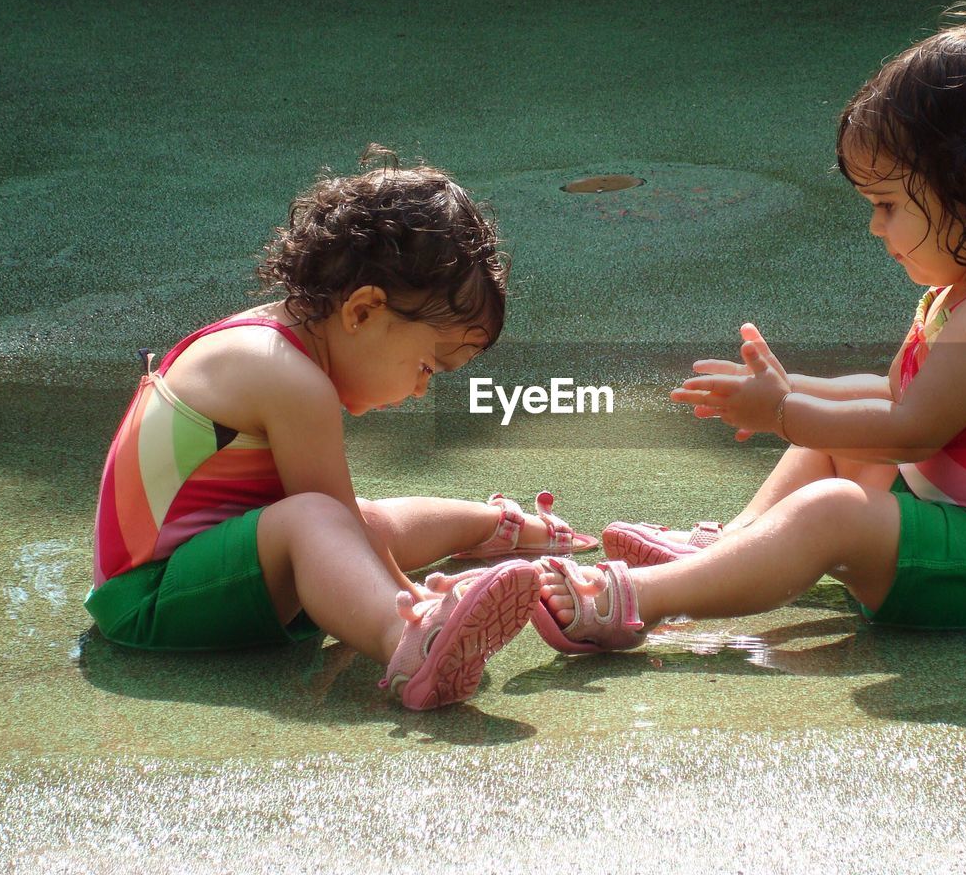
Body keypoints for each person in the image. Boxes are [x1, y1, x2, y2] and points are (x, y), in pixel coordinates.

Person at [532, 8, 966, 653]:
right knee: (832, 450)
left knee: (833, 509)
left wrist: (785, 410)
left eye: (888, 205)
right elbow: (900, 395)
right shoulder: (960, 292)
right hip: (964, 534)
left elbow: (912, 430)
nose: (876, 227)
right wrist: (798, 389)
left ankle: (646, 600)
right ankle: (728, 552)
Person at [85, 146, 596, 710]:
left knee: (354, 520)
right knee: (325, 520)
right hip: (151, 601)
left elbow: (350, 526)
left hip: (201, 573)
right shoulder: (288, 377)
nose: (422, 389)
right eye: (428, 366)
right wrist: (409, 593)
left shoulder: (273, 338)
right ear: (362, 312)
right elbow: (329, 524)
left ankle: (494, 525)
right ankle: (410, 638)